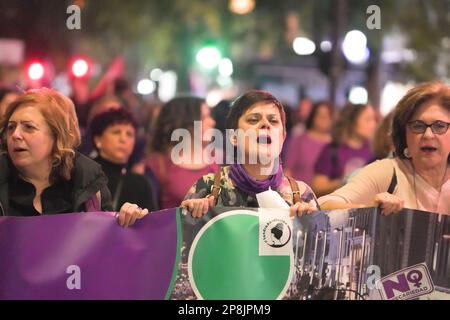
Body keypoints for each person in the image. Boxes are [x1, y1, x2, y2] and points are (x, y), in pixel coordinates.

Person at [0, 88, 148, 227]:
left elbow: (105, 247)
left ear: (57, 135)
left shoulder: (89, 183)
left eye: (29, 127)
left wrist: (127, 220)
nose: (15, 135)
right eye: (11, 127)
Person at [181, 90, 319, 218]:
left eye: (273, 121)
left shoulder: (301, 195)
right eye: (253, 119)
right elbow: (182, 239)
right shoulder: (207, 187)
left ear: (283, 137)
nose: (265, 124)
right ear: (233, 137)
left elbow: (321, 243)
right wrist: (190, 214)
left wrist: (309, 223)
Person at [318, 81, 450, 215]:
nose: (428, 135)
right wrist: (368, 210)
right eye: (417, 126)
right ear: (403, 133)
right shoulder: (388, 171)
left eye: (439, 126)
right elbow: (321, 205)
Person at [144, 96, 218, 209]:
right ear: (184, 123)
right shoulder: (158, 165)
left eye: (210, 116)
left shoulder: (217, 158)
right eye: (203, 118)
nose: (212, 122)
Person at [90, 108, 158, 212]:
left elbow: (152, 225)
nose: (123, 139)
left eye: (129, 134)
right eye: (116, 132)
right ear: (98, 140)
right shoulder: (84, 173)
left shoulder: (141, 183)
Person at [312, 103, 377, 196]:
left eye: (374, 119)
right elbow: (317, 188)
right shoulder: (332, 150)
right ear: (352, 122)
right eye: (368, 119)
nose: (374, 124)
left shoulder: (373, 150)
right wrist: (346, 180)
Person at [285, 101, 333, 185]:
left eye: (327, 116)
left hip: (326, 195)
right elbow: (288, 170)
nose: (323, 119)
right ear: (313, 116)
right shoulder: (300, 140)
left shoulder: (335, 145)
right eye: (320, 115)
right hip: (300, 193)